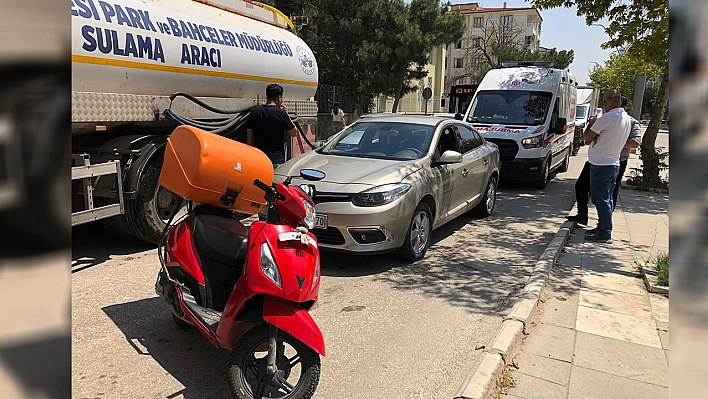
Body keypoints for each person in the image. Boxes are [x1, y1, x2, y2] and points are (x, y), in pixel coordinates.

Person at [567, 96, 641, 225]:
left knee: (609, 194)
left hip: (616, 160)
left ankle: (604, 225)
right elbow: (588, 136)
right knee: (581, 186)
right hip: (596, 159)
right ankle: (582, 215)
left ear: (622, 108)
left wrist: (612, 141)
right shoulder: (606, 119)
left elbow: (635, 143)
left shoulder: (631, 122)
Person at [582, 89, 632, 242]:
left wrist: (591, 123)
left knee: (600, 199)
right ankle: (603, 226)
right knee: (607, 198)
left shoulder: (607, 118)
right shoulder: (626, 118)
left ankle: (605, 232)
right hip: (613, 163)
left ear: (605, 102)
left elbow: (587, 137)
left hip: (601, 164)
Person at [247, 84, 298, 168]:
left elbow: (249, 137)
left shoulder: (254, 112)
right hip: (275, 160)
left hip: (258, 159)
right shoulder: (280, 113)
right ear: (279, 97)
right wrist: (286, 115)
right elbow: (294, 133)